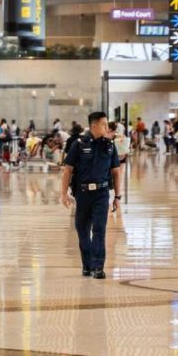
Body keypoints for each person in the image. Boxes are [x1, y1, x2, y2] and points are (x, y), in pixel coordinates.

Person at [61, 112, 121, 280]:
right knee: (82, 230)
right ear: (94, 126)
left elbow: (116, 172)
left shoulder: (110, 146)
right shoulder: (79, 144)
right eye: (104, 124)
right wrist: (63, 193)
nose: (107, 128)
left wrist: (117, 196)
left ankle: (98, 267)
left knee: (99, 230)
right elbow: (68, 169)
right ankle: (87, 266)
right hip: (83, 194)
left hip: (102, 194)